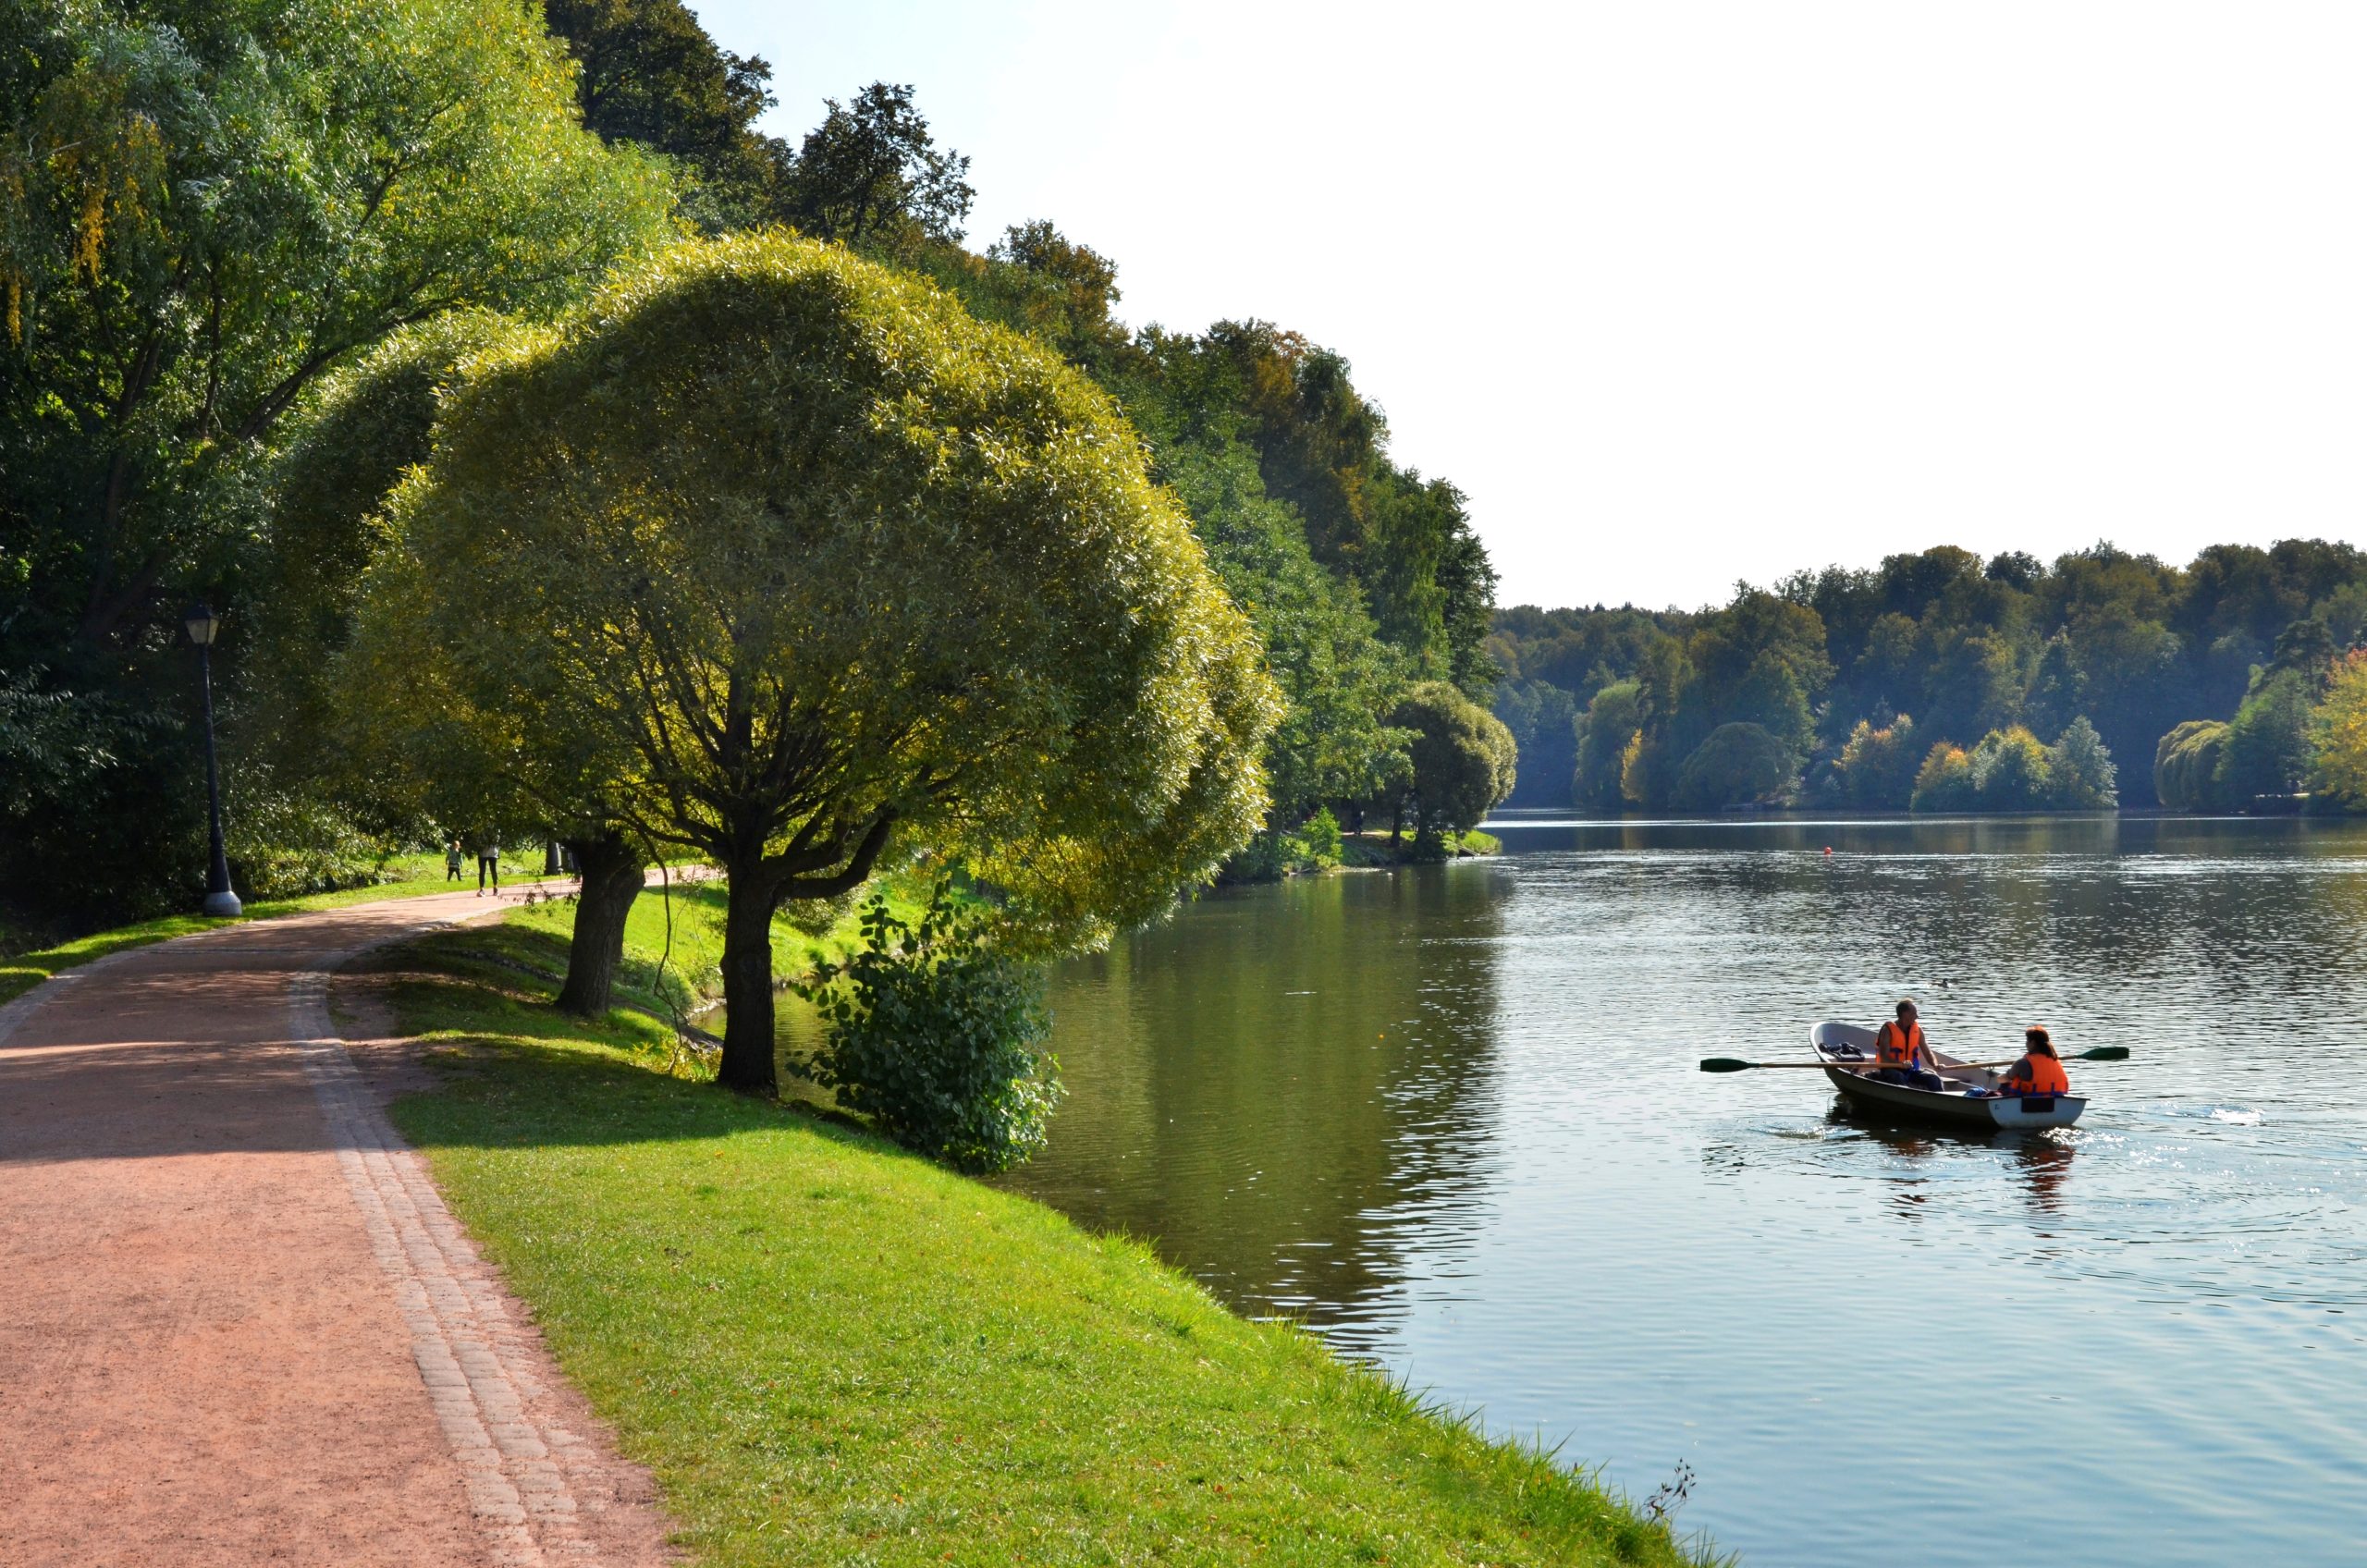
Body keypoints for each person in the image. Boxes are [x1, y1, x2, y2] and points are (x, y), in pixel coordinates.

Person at [1874, 999, 1944, 1091]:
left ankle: (1938, 1102)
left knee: (1934, 1078)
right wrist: (1900, 1064)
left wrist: (1935, 1064)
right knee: (1898, 1077)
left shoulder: (1918, 1030)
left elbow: (1927, 1052)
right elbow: (1884, 1057)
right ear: (1905, 1014)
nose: (1917, 1016)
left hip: (1911, 1070)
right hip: (1891, 1069)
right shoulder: (1887, 1030)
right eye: (1914, 1013)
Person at [1998, 1025, 2071, 1097]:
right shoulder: (2055, 1060)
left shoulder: (2022, 1063)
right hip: (2056, 1098)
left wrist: (1997, 1078)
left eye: (2027, 1041)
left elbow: (2003, 1079)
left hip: (2028, 1102)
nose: (2026, 1044)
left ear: (2032, 1043)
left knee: (2005, 1084)